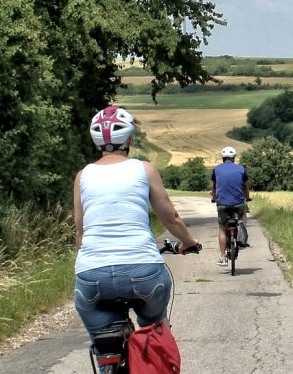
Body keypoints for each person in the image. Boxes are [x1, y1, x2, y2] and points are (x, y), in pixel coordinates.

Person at [73, 106, 201, 342]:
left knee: (103, 343)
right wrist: (188, 242)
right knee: (154, 328)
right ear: (130, 138)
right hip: (143, 270)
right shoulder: (144, 169)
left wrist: (92, 265)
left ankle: (108, 372)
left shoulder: (83, 176)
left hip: (92, 273)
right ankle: (154, 357)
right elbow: (170, 218)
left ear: (95, 142)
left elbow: (80, 234)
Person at [210, 145, 252, 268]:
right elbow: (245, 186)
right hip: (238, 203)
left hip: (222, 204)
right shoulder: (241, 169)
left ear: (222, 158)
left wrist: (214, 198)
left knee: (222, 228)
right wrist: (247, 197)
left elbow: (215, 187)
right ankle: (241, 226)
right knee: (243, 213)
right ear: (234, 158)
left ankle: (222, 257)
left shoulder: (216, 169)